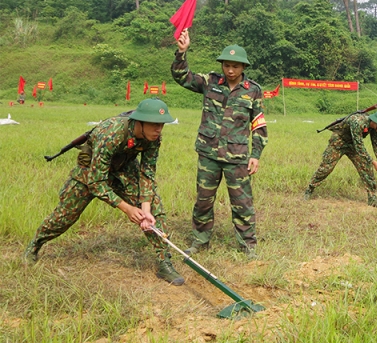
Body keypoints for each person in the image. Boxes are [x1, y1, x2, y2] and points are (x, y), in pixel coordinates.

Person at [23, 99, 184, 285]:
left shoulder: (153, 138)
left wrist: (145, 208)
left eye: (162, 125)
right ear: (140, 122)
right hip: (90, 172)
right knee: (63, 217)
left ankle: (164, 261)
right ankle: (35, 244)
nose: (159, 129)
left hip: (123, 168)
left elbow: (147, 172)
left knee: (154, 208)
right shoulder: (112, 134)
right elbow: (96, 182)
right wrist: (127, 208)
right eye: (155, 124)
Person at [172, 29, 267, 257]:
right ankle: (200, 240)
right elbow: (182, 77)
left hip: (237, 157)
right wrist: (181, 53)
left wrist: (256, 154)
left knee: (242, 202)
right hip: (209, 155)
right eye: (226, 65)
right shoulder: (210, 82)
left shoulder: (253, 91)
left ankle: (247, 245)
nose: (230, 70)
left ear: (244, 67)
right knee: (203, 201)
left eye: (235, 66)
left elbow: (258, 124)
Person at [303, 110, 377, 208]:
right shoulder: (357, 121)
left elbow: (376, 144)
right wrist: (374, 162)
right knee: (326, 168)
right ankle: (309, 189)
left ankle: (372, 198)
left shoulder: (375, 128)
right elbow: (359, 146)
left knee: (366, 167)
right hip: (339, 142)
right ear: (376, 122)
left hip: (352, 145)